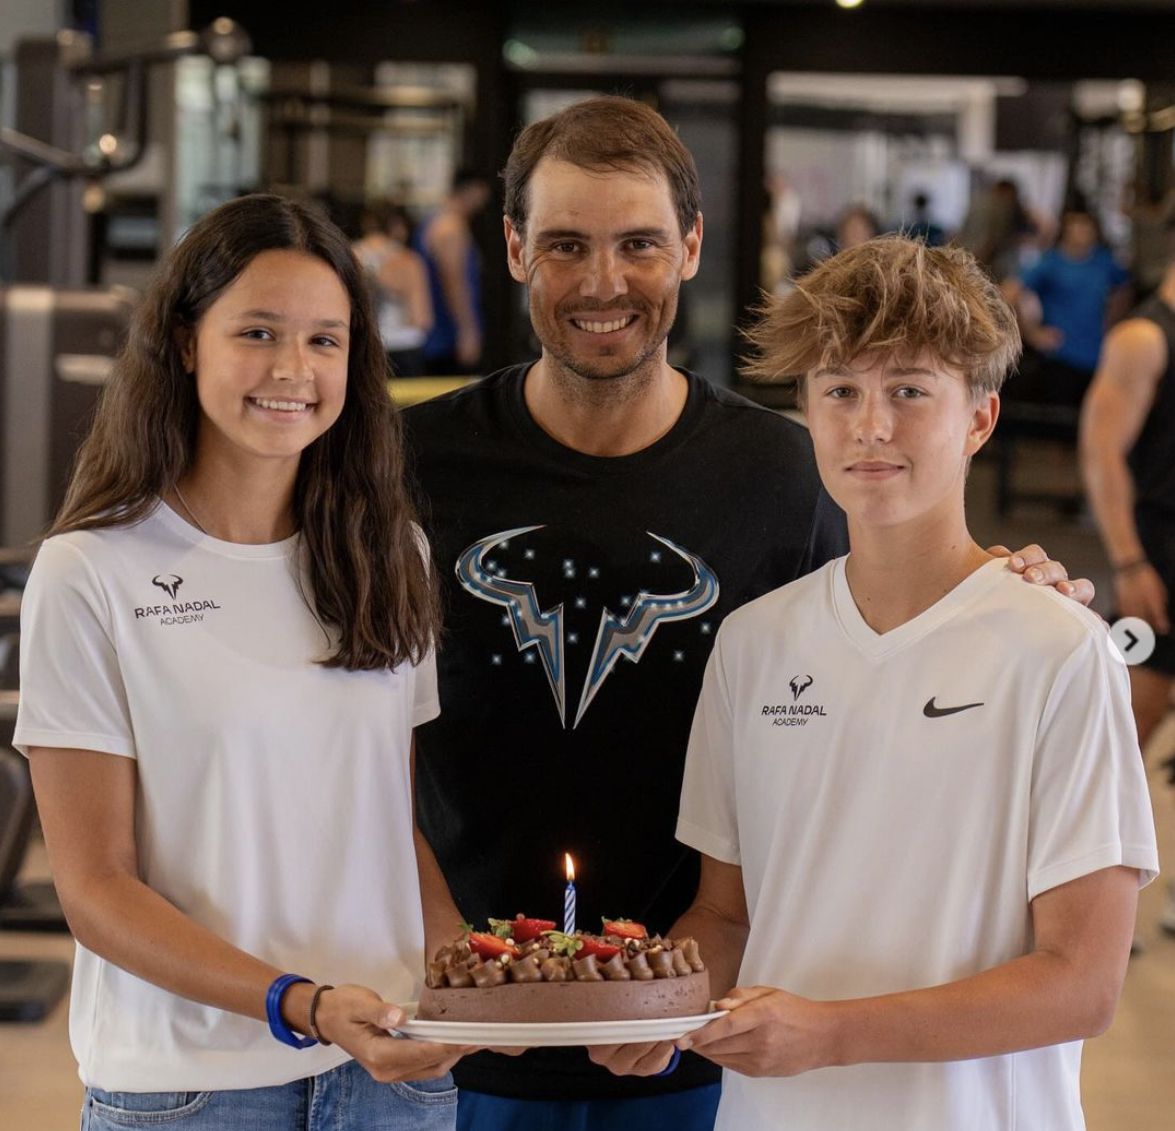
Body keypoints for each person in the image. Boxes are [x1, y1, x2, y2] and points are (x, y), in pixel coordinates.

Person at [404, 97, 1093, 1131]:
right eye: (563, 245)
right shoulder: (405, 464)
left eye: (637, 243)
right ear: (511, 249)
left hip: (704, 1042)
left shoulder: (787, 473)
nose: (602, 282)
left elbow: (888, 620)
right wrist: (436, 941)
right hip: (455, 1040)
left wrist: (1003, 594)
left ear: (688, 248)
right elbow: (347, 732)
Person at [603, 237, 1157, 1130]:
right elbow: (726, 916)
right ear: (807, 411)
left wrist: (829, 1033)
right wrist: (647, 1005)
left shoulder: (1058, 651)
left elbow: (1080, 984)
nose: (869, 425)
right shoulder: (752, 644)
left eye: (908, 390)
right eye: (840, 391)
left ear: (978, 417)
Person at [15, 194, 471, 1130]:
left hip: (389, 1072)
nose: (292, 370)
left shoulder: (394, 555)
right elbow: (96, 888)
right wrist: (298, 1000)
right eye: (257, 332)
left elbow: (388, 824)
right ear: (186, 343)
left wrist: (467, 974)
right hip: (190, 1087)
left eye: (324, 341)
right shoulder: (91, 572)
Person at [1080, 214, 1175, 938]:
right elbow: (1101, 452)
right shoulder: (1143, 337)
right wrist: (1127, 560)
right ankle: (1094, 919)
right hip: (1155, 571)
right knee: (1122, 736)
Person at [1004, 204, 1132, 411]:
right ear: (1066, 229)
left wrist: (1114, 324)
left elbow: (1124, 288)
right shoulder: (1051, 263)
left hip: (1097, 358)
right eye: (1076, 225)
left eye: (1086, 225)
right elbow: (1010, 291)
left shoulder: (1104, 262)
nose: (1081, 231)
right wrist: (1031, 333)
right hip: (1060, 356)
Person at [412, 170, 491, 375]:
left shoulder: (435, 220)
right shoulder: (450, 227)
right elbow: (454, 281)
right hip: (445, 335)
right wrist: (467, 331)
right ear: (472, 190)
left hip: (439, 333)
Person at [353, 199, 433, 376]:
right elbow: (422, 319)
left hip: (362, 347)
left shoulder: (348, 257)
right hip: (404, 349)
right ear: (397, 225)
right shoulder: (408, 261)